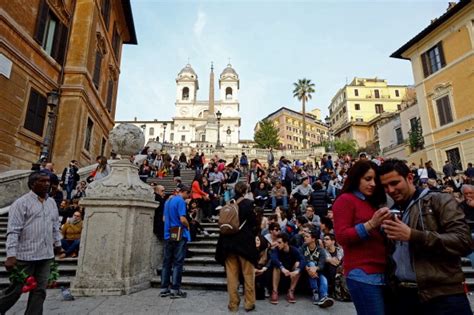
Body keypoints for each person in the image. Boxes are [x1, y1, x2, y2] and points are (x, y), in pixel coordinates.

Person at [379, 159, 472, 314]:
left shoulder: (439, 200)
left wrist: (413, 235)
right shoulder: (392, 211)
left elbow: (464, 241)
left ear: (409, 178)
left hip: (442, 296)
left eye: (395, 183)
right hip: (403, 297)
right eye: (385, 186)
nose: (390, 190)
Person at [332, 160, 390, 315]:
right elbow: (342, 236)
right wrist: (371, 224)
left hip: (382, 271)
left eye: (375, 180)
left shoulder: (371, 203)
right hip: (362, 274)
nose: (372, 184)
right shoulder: (345, 200)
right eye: (367, 179)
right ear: (356, 178)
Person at [0, 171, 62, 314]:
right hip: (25, 255)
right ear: (32, 184)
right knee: (16, 289)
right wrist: (11, 255)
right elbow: (13, 230)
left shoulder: (51, 202)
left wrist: (58, 244)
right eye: (42, 181)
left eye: (48, 181)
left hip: (46, 254)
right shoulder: (21, 203)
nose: (47, 184)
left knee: (40, 290)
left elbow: (54, 226)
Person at [215, 182, 258, 312]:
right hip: (244, 244)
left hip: (228, 244)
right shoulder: (249, 204)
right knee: (248, 274)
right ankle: (249, 303)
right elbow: (254, 223)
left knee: (231, 276)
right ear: (245, 191)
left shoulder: (229, 203)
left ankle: (233, 304)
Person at [160, 186, 191, 299]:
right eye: (188, 194)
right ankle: (175, 289)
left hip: (168, 233)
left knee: (167, 262)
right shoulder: (181, 201)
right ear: (184, 192)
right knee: (178, 262)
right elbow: (182, 219)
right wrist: (188, 226)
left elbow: (164, 218)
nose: (188, 197)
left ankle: (164, 288)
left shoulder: (168, 201)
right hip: (178, 232)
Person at [301, 228, 334, 308]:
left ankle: (323, 297)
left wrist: (315, 269)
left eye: (307, 236)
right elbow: (301, 260)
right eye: (305, 236)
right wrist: (307, 268)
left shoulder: (321, 250)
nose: (305, 238)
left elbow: (321, 265)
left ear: (313, 239)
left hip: (317, 273)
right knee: (311, 263)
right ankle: (316, 291)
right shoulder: (303, 247)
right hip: (305, 272)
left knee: (323, 278)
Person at [269, 233, 304, 305]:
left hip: (291, 271)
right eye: (277, 242)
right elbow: (274, 258)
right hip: (281, 270)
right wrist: (282, 268)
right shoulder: (276, 249)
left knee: (298, 264)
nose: (277, 244)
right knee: (276, 266)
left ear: (286, 243)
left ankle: (291, 291)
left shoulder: (293, 249)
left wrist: (297, 270)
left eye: (279, 242)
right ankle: (275, 291)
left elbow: (303, 260)